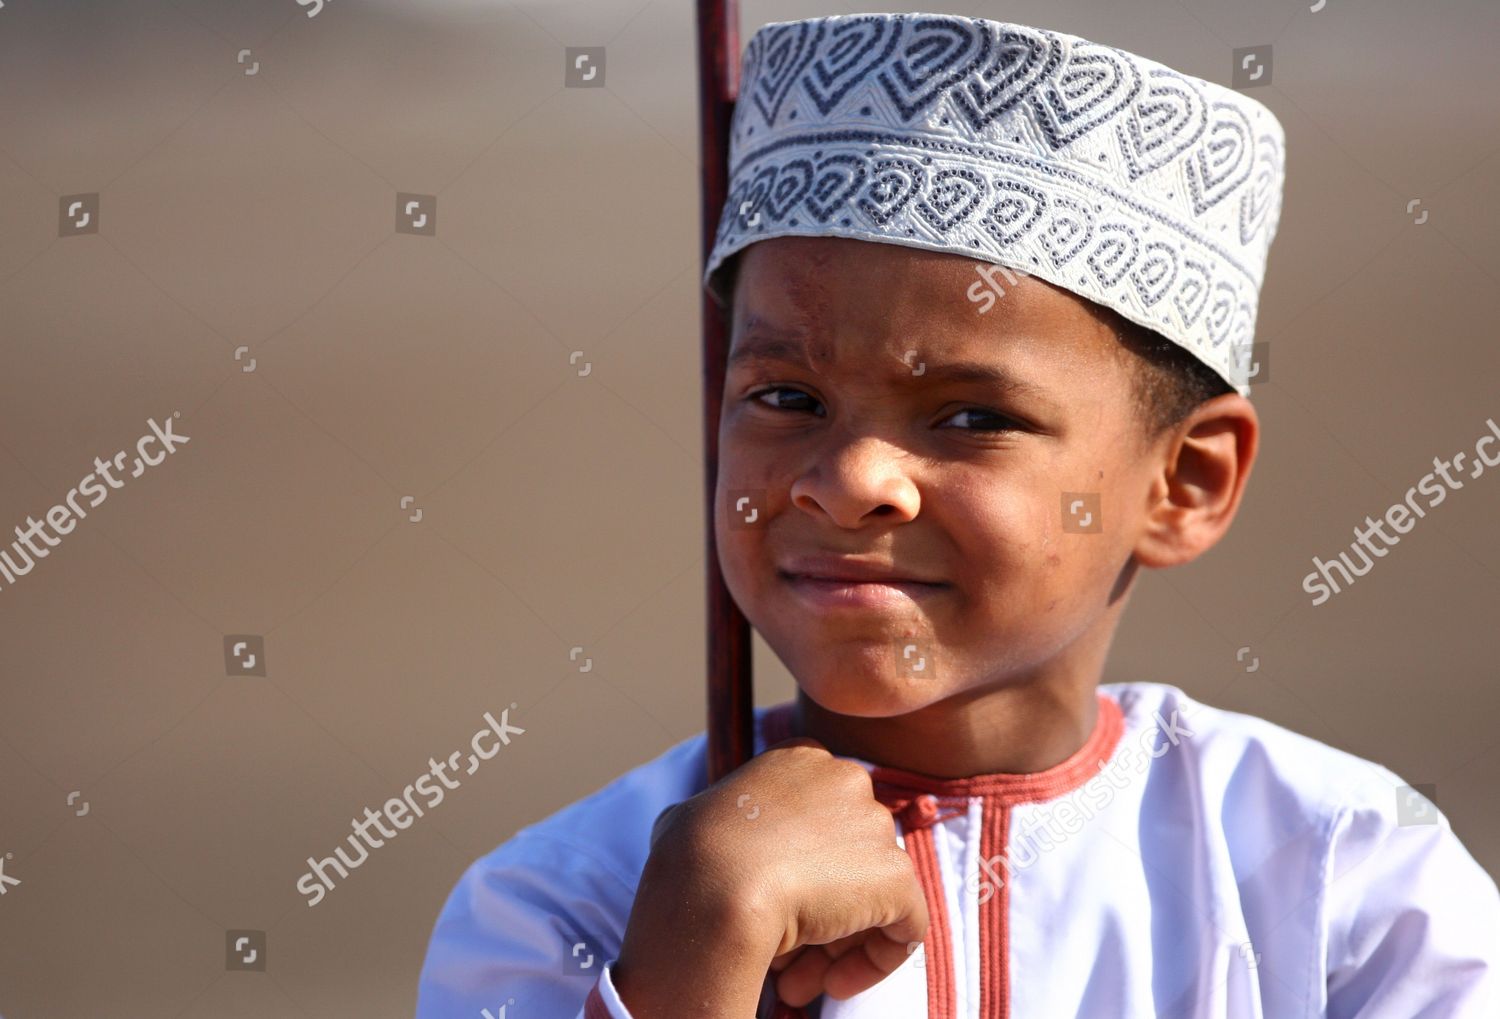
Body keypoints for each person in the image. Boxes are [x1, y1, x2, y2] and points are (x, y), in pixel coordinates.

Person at [415, 12, 1499, 1018]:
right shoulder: (565, 904)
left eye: (971, 414)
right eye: (787, 397)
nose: (848, 480)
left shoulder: (1343, 870)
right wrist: (692, 959)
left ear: (1186, 482)